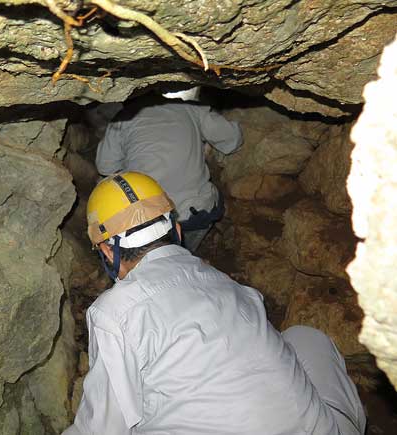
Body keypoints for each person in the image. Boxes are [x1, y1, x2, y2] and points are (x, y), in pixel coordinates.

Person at [63, 171, 366, 435]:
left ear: (105, 251)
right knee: (306, 337)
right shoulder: (226, 283)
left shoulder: (114, 313)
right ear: (176, 228)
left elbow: (102, 428)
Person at [95, 88, 243, 252]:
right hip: (193, 216)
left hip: (147, 222)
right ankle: (186, 255)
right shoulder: (191, 108)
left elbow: (105, 167)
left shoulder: (122, 119)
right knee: (186, 246)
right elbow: (232, 140)